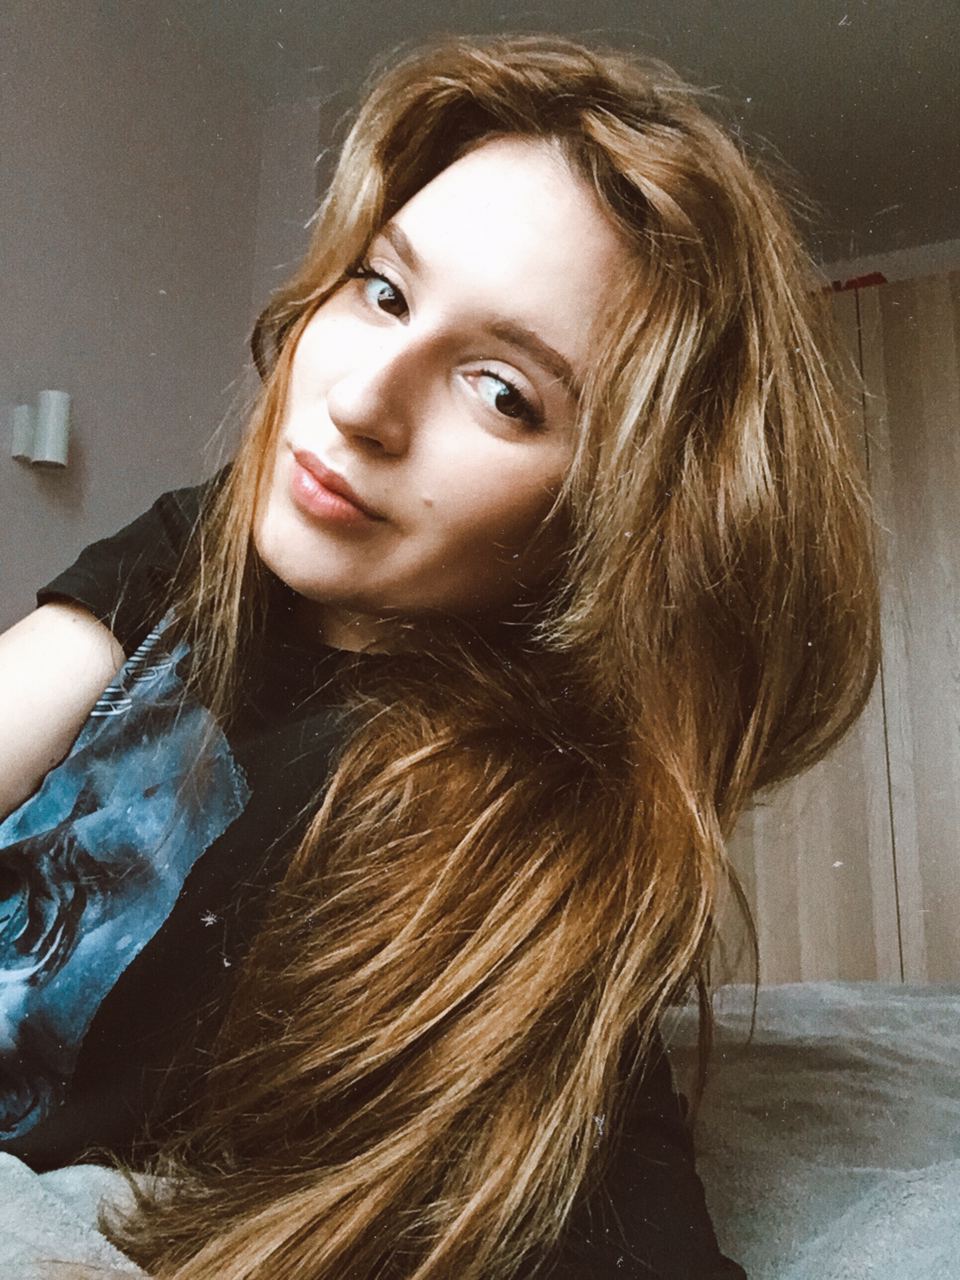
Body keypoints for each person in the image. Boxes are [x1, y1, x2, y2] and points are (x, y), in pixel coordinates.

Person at [0, 31, 879, 1280]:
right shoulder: (207, 540)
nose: (361, 401)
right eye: (384, 290)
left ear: (616, 519)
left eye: (503, 391)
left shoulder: (499, 842)